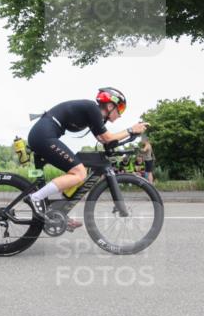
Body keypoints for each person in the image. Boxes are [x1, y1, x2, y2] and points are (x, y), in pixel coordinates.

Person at [25, 87, 147, 224]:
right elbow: (107, 138)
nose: (120, 115)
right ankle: (35, 198)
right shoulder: (93, 109)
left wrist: (128, 139)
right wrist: (131, 130)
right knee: (79, 173)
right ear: (110, 105)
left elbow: (104, 140)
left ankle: (57, 211)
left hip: (43, 135)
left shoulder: (93, 115)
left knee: (76, 174)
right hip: (43, 136)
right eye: (121, 109)